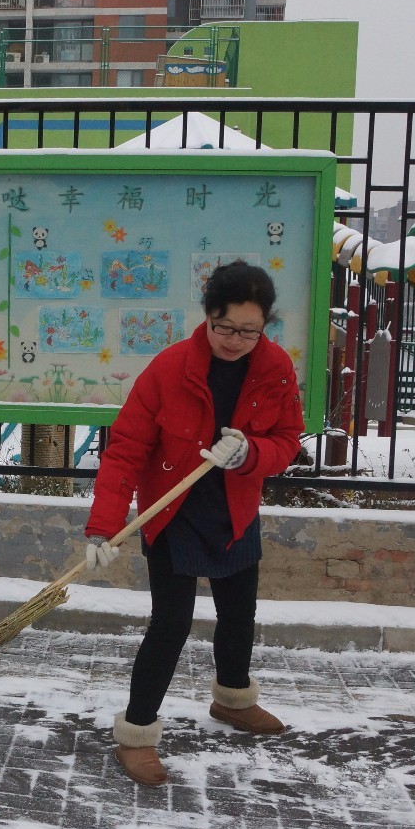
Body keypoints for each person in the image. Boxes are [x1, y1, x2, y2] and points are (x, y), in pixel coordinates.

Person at [83, 260, 304, 786]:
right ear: (207, 317)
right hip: (173, 513)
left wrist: (251, 452)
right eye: (226, 328)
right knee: (171, 625)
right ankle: (136, 731)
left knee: (238, 614)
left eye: (250, 331)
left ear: (264, 326)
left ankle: (232, 700)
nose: (236, 340)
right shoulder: (169, 368)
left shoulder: (274, 368)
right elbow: (126, 451)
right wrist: (102, 527)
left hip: (235, 508)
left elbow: (289, 439)